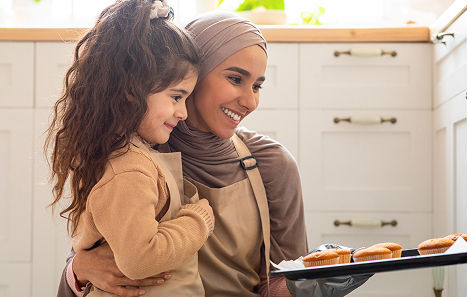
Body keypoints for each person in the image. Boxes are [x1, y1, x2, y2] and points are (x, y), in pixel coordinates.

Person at [57, 10, 308, 297]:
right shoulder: (133, 156)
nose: (250, 101)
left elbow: (280, 280)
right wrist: (78, 270)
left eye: (257, 86)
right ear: (190, 75)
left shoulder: (272, 164)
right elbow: (89, 257)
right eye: (235, 79)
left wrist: (314, 284)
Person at [46, 0, 215, 296]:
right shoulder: (128, 168)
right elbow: (140, 259)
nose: (184, 112)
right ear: (130, 91)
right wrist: (198, 220)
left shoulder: (131, 154)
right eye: (176, 97)